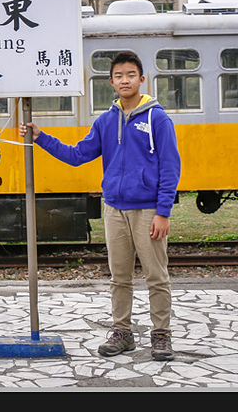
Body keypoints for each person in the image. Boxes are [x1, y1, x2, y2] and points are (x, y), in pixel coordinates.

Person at [25, 51, 179, 361]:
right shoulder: (106, 121)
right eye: (119, 75)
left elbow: (170, 168)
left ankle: (161, 335)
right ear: (111, 82)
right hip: (114, 208)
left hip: (148, 209)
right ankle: (122, 333)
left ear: (141, 79)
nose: (125, 80)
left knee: (156, 276)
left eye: (131, 75)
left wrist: (163, 212)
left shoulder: (158, 119)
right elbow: (78, 155)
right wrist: (41, 138)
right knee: (119, 276)